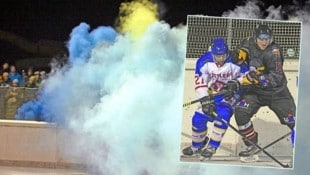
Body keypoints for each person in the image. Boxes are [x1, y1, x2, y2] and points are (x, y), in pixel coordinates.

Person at [229, 24, 296, 162]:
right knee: (241, 112)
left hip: (277, 93)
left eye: (268, 38)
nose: (265, 42)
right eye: (262, 38)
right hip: (255, 93)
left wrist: (255, 79)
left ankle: (301, 152)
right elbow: (240, 54)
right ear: (255, 37)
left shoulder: (274, 52)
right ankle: (252, 146)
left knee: (295, 122)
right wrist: (238, 54)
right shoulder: (248, 41)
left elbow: (276, 78)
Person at [182, 37, 245, 159]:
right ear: (212, 53)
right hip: (213, 93)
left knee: (223, 114)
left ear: (227, 53)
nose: (220, 59)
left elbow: (246, 76)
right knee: (198, 118)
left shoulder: (236, 60)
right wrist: (205, 99)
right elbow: (200, 82)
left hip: (231, 94)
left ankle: (212, 146)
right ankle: (197, 146)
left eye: (223, 56)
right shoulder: (203, 61)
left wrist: (236, 84)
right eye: (217, 56)